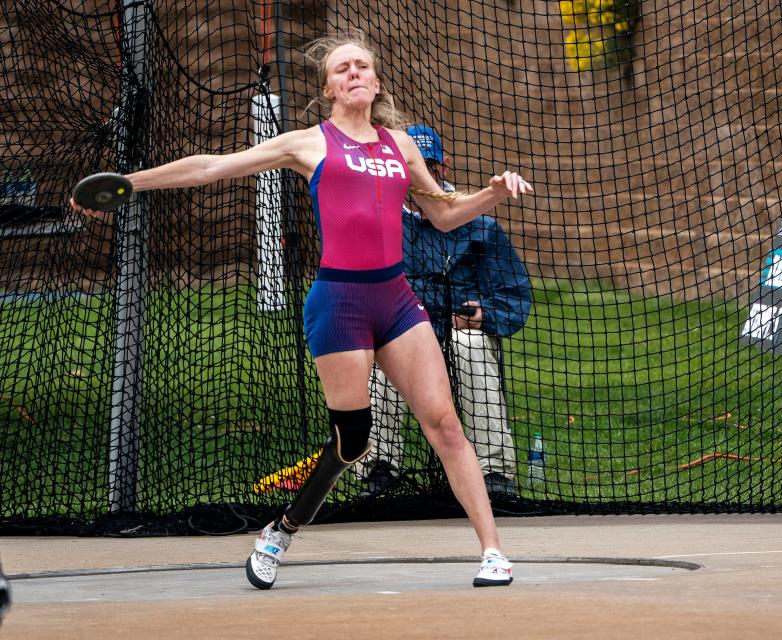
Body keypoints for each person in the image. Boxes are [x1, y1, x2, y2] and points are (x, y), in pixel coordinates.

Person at [70, 31, 532, 589]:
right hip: (339, 304)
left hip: (397, 301)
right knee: (353, 440)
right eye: (344, 69)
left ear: (377, 82)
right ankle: (281, 530)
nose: (355, 73)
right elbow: (210, 166)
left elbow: (443, 213)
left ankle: (492, 552)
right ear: (330, 88)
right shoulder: (307, 143)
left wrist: (494, 194)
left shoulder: (401, 146)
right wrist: (129, 183)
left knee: (445, 425)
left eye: (363, 66)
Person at [360, 124, 531, 497]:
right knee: (383, 350)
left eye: (430, 165)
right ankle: (379, 469)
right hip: (407, 332)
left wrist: (483, 314)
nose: (421, 176)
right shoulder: (381, 222)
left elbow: (514, 294)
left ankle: (495, 473)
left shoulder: (478, 224)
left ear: (444, 167)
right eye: (411, 166)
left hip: (457, 333)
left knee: (468, 342)